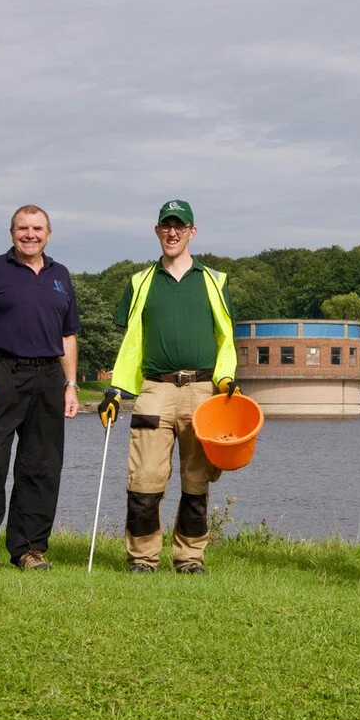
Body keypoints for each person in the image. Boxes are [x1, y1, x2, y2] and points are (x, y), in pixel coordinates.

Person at [97, 199, 237, 575]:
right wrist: (116, 390)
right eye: (165, 226)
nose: (172, 232)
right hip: (154, 390)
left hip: (203, 391)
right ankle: (142, 559)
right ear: (157, 230)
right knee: (143, 480)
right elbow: (132, 343)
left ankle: (190, 558)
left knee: (196, 481)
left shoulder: (215, 281)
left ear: (192, 231)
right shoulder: (139, 282)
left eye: (180, 226)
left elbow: (226, 339)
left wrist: (226, 381)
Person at [0, 205, 80, 572]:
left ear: (48, 234)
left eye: (37, 228)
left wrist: (70, 384)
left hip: (49, 377)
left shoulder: (61, 276)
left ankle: (29, 549)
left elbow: (68, 335)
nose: (30, 234)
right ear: (12, 233)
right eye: (22, 228)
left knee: (41, 466)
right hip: (3, 373)